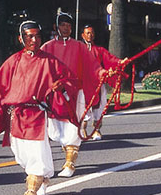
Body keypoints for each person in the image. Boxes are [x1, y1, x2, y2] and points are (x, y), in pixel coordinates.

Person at [0, 20, 78, 195]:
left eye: (37, 35)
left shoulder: (50, 61)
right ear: (20, 38)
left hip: (37, 115)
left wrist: (62, 86)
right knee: (22, 156)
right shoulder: (13, 62)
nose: (34, 39)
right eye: (29, 36)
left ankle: (30, 193)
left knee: (36, 155)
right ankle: (43, 177)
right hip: (16, 117)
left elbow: (71, 79)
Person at [40, 12, 109, 177]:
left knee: (73, 127)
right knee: (55, 131)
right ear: (56, 27)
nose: (66, 28)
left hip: (75, 94)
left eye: (69, 25)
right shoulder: (47, 47)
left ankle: (70, 163)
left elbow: (93, 67)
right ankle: (66, 155)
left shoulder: (79, 46)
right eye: (63, 25)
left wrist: (103, 72)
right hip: (54, 95)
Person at [81, 24, 126, 140]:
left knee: (99, 109)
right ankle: (82, 131)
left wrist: (121, 62)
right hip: (83, 85)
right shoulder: (78, 50)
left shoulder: (99, 50)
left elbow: (110, 58)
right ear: (83, 35)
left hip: (98, 84)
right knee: (83, 109)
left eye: (92, 33)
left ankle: (96, 130)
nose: (90, 35)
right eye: (88, 33)